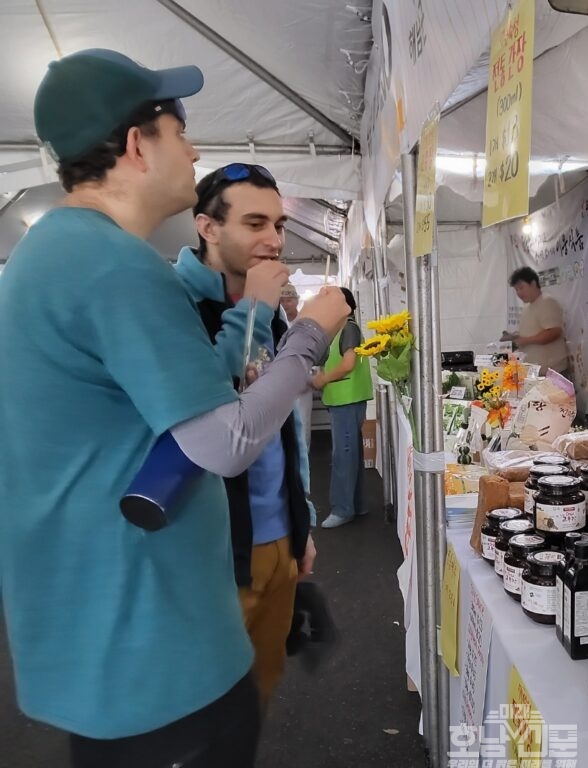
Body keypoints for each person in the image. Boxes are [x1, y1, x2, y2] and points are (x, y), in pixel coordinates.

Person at [0, 49, 348, 768]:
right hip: (150, 643)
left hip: (109, 633)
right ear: (136, 145)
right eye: (178, 129)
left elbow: (187, 397)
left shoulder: (55, 255)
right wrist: (311, 332)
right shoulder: (116, 267)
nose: (191, 150)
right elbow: (226, 439)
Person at [174, 163, 318, 712]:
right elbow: (202, 408)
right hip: (209, 552)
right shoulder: (173, 303)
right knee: (204, 705)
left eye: (278, 225)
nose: (273, 239)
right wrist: (255, 307)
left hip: (277, 537)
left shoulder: (274, 314)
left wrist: (299, 515)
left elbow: (286, 418)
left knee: (258, 690)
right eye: (255, 223)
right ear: (207, 227)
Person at [312, 287, 374, 528]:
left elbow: (348, 363)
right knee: (351, 454)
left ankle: (342, 508)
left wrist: (324, 379)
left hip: (346, 399)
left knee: (343, 455)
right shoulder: (341, 329)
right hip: (344, 399)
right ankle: (356, 504)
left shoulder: (348, 328)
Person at [505, 266, 570, 378]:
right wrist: (514, 337)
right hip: (535, 373)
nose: (519, 293)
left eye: (521, 287)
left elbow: (554, 332)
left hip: (552, 373)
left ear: (533, 283)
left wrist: (525, 340)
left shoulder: (547, 301)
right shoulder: (526, 307)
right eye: (516, 289)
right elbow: (532, 331)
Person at [280, 282, 314, 446]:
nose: (285, 304)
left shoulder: (305, 323)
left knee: (302, 422)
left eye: (289, 300)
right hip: (280, 382)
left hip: (302, 381)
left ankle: (304, 465)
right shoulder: (275, 324)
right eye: (282, 300)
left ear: (296, 300)